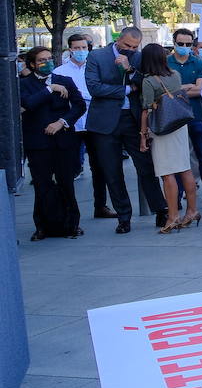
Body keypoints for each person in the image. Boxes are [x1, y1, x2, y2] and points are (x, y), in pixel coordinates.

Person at [85, 26, 167, 233]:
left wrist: (130, 69)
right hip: (105, 122)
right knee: (112, 171)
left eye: (133, 47)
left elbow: (149, 82)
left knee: (146, 167)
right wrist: (127, 89)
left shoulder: (138, 58)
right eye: (126, 45)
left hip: (134, 121)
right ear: (118, 40)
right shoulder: (97, 56)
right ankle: (123, 217)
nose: (129, 49)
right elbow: (94, 88)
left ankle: (160, 210)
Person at [20, 46, 85, 240]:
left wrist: (61, 122)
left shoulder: (65, 80)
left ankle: (72, 224)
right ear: (32, 64)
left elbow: (79, 106)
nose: (47, 62)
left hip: (63, 139)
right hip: (38, 142)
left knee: (66, 182)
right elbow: (29, 104)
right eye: (42, 60)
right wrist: (50, 89)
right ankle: (42, 226)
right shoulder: (24, 84)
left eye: (49, 58)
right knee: (42, 184)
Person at [138, 43, 199, 234]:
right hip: (179, 126)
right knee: (185, 168)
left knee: (167, 173)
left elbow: (146, 110)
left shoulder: (149, 81)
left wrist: (143, 135)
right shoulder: (174, 74)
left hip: (162, 128)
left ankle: (172, 217)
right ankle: (192, 211)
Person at [54, 33, 115, 218]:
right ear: (70, 49)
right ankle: (68, 211)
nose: (80, 51)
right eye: (76, 48)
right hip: (70, 124)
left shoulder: (97, 68)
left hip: (94, 122)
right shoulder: (60, 72)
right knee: (68, 168)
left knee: (99, 167)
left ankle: (101, 206)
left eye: (84, 47)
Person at [167, 28, 202, 212]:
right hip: (173, 118)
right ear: (174, 42)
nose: (184, 47)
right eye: (181, 44)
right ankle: (178, 196)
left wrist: (177, 89)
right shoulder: (165, 63)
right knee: (178, 159)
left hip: (197, 116)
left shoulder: (198, 64)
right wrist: (189, 87)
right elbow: (165, 91)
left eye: (188, 44)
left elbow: (201, 90)